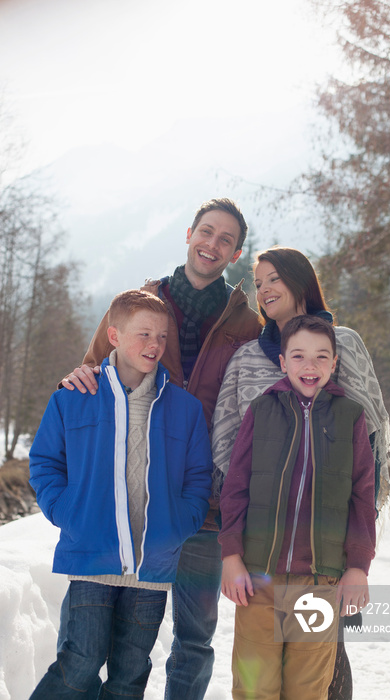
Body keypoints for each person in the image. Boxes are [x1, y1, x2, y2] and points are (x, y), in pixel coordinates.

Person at [60, 198, 261, 700]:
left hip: (203, 505)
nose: (212, 245)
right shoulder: (139, 301)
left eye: (225, 240)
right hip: (125, 501)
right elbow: (93, 369)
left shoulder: (246, 326)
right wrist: (81, 375)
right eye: (206, 232)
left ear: (235, 253)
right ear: (189, 233)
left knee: (194, 638)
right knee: (94, 639)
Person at [211, 246, 390, 699]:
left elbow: (370, 442)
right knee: (257, 682)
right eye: (259, 282)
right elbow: (228, 456)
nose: (266, 289)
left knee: (321, 673)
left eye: (275, 278)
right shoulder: (251, 362)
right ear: (283, 361)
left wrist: (357, 559)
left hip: (324, 557)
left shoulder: (343, 345)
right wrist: (234, 544)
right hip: (262, 557)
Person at [28, 289, 213, 699]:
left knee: (130, 676)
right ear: (113, 335)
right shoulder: (74, 397)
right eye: (143, 334)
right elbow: (44, 464)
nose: (154, 345)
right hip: (91, 556)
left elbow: (199, 477)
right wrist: (67, 512)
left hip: (152, 566)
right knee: (80, 662)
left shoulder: (184, 408)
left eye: (162, 336)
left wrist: (179, 524)